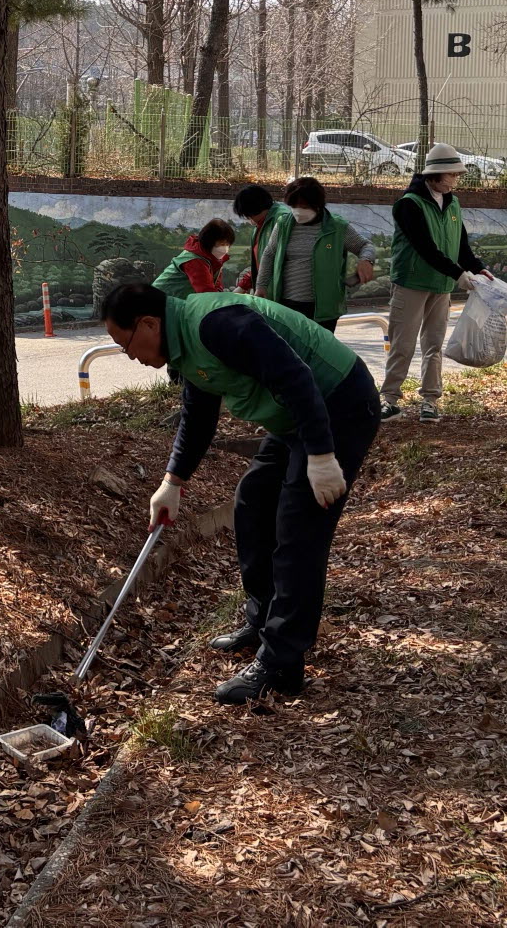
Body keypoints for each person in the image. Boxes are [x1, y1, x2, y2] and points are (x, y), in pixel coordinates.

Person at [101, 281, 384, 704]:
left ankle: (281, 665)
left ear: (148, 323)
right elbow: (198, 416)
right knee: (252, 504)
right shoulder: (186, 342)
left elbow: (296, 377)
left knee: (298, 531)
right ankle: (263, 621)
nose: (133, 358)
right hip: (296, 418)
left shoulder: (217, 324)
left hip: (335, 404)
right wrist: (171, 483)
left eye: (127, 346)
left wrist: (322, 457)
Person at [383, 143, 491, 422]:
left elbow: (460, 243)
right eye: (452, 174)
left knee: (433, 344)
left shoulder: (452, 202)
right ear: (436, 175)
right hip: (411, 283)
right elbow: (425, 247)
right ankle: (390, 399)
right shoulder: (409, 205)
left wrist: (478, 269)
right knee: (402, 344)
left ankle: (430, 400)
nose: (456, 179)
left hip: (441, 286)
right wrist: (458, 274)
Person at [254, 176, 376, 332]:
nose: (298, 211)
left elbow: (366, 245)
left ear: (317, 205)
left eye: (303, 206)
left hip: (323, 310)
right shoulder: (283, 224)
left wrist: (366, 260)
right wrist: (261, 286)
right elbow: (269, 253)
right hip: (288, 305)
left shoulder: (337, 227)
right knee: (291, 352)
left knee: (319, 354)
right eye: (294, 206)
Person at [153, 217, 236, 298]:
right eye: (222, 244)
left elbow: (217, 289)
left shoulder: (215, 260)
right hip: (159, 301)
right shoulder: (195, 260)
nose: (226, 249)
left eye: (228, 244)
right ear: (209, 242)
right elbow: (207, 294)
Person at [232, 183, 290, 296]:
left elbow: (273, 260)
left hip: (279, 291)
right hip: (265, 289)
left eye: (247, 215)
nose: (248, 219)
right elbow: (259, 262)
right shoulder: (260, 224)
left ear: (254, 209)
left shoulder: (281, 220)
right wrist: (244, 285)